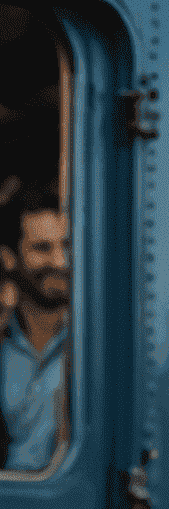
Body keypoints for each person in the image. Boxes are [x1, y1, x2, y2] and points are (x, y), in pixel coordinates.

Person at [1, 183, 69, 472]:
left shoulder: (96, 344)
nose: (60, 261)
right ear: (9, 257)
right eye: (42, 248)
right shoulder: (2, 341)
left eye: (66, 245)